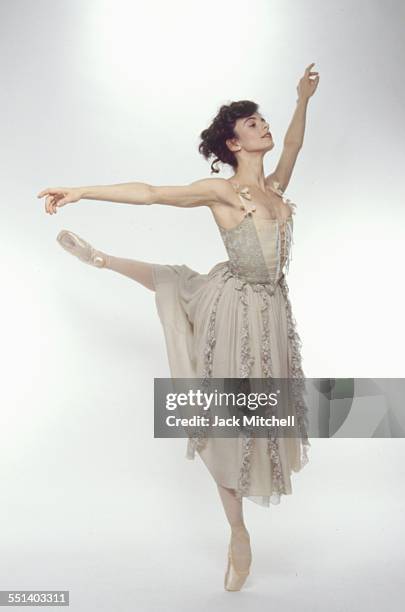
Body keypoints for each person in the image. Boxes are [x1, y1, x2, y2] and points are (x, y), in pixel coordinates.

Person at [37, 63, 320, 591]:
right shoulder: (221, 193)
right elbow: (149, 193)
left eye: (262, 119)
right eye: (251, 123)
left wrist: (302, 99)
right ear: (234, 144)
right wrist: (80, 190)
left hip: (272, 314)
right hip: (235, 309)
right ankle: (238, 532)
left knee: (262, 418)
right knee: (223, 413)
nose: (263, 125)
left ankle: (102, 259)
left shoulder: (276, 189)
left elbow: (296, 148)